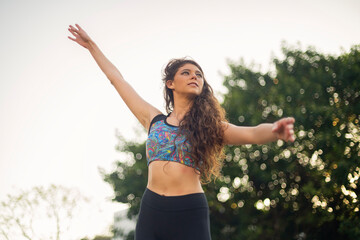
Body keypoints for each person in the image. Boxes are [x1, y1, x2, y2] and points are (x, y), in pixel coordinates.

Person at [68, 23, 295, 240]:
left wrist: (276, 131)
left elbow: (252, 134)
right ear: (170, 83)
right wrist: (92, 46)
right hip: (151, 211)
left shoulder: (210, 127)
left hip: (189, 211)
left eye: (198, 74)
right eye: (186, 73)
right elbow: (117, 79)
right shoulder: (153, 119)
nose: (194, 76)